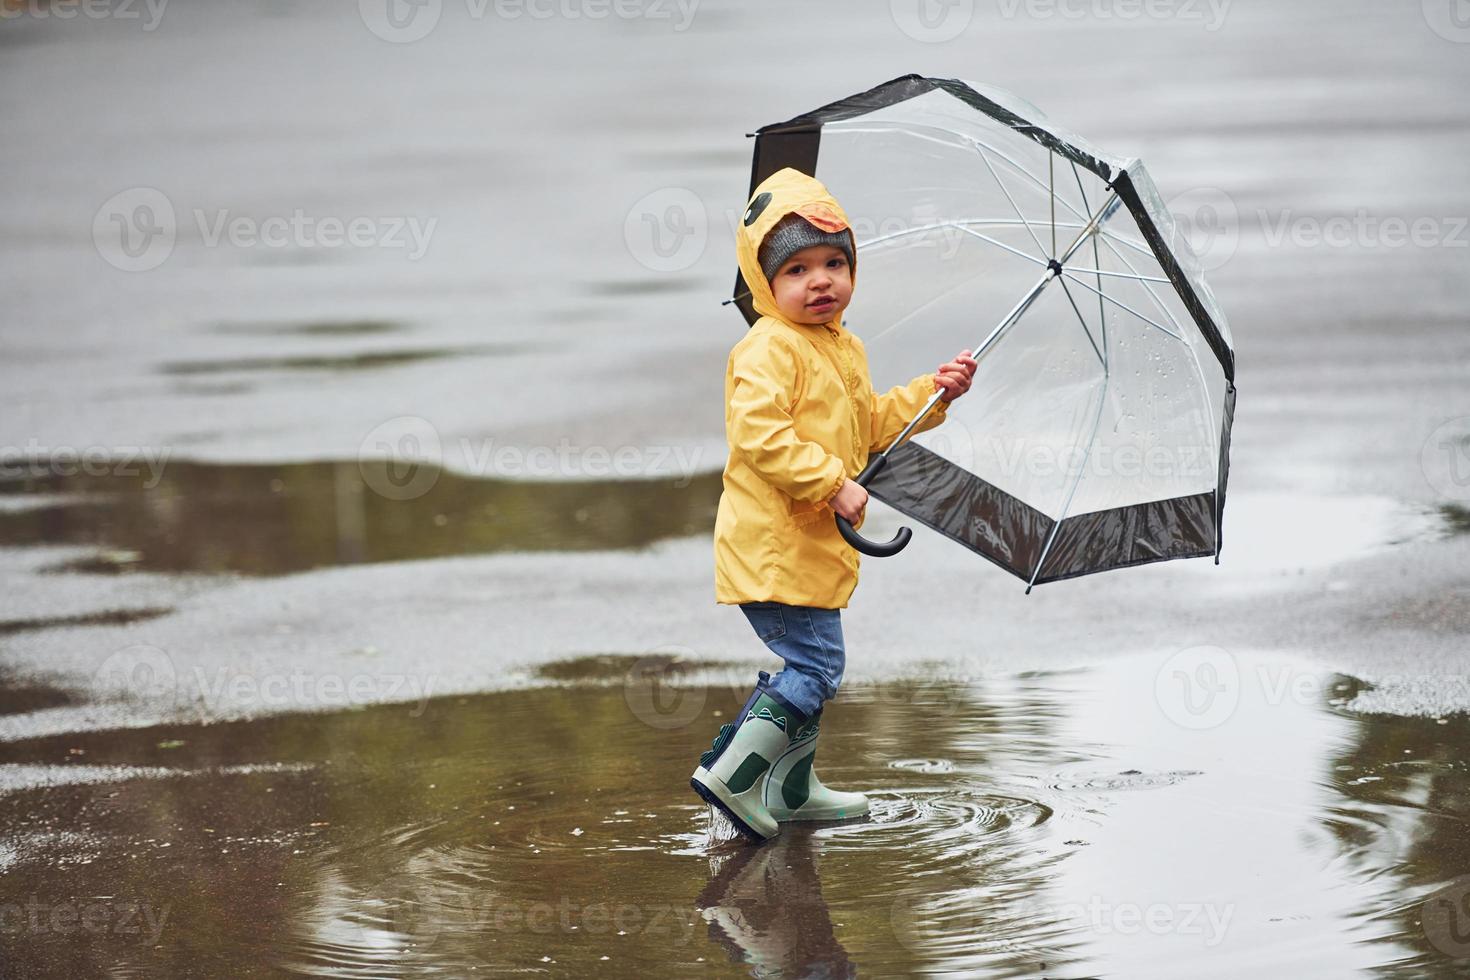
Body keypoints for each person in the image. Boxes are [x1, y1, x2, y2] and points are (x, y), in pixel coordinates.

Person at [690, 167, 977, 843]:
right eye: (796, 270)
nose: (820, 281)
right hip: (774, 543)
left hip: (811, 548)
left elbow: (868, 423)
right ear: (766, 284)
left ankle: (791, 788)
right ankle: (733, 775)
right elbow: (759, 436)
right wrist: (831, 483)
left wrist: (935, 395)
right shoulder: (767, 349)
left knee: (821, 668)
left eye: (834, 263)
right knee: (816, 668)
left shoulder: (842, 347)